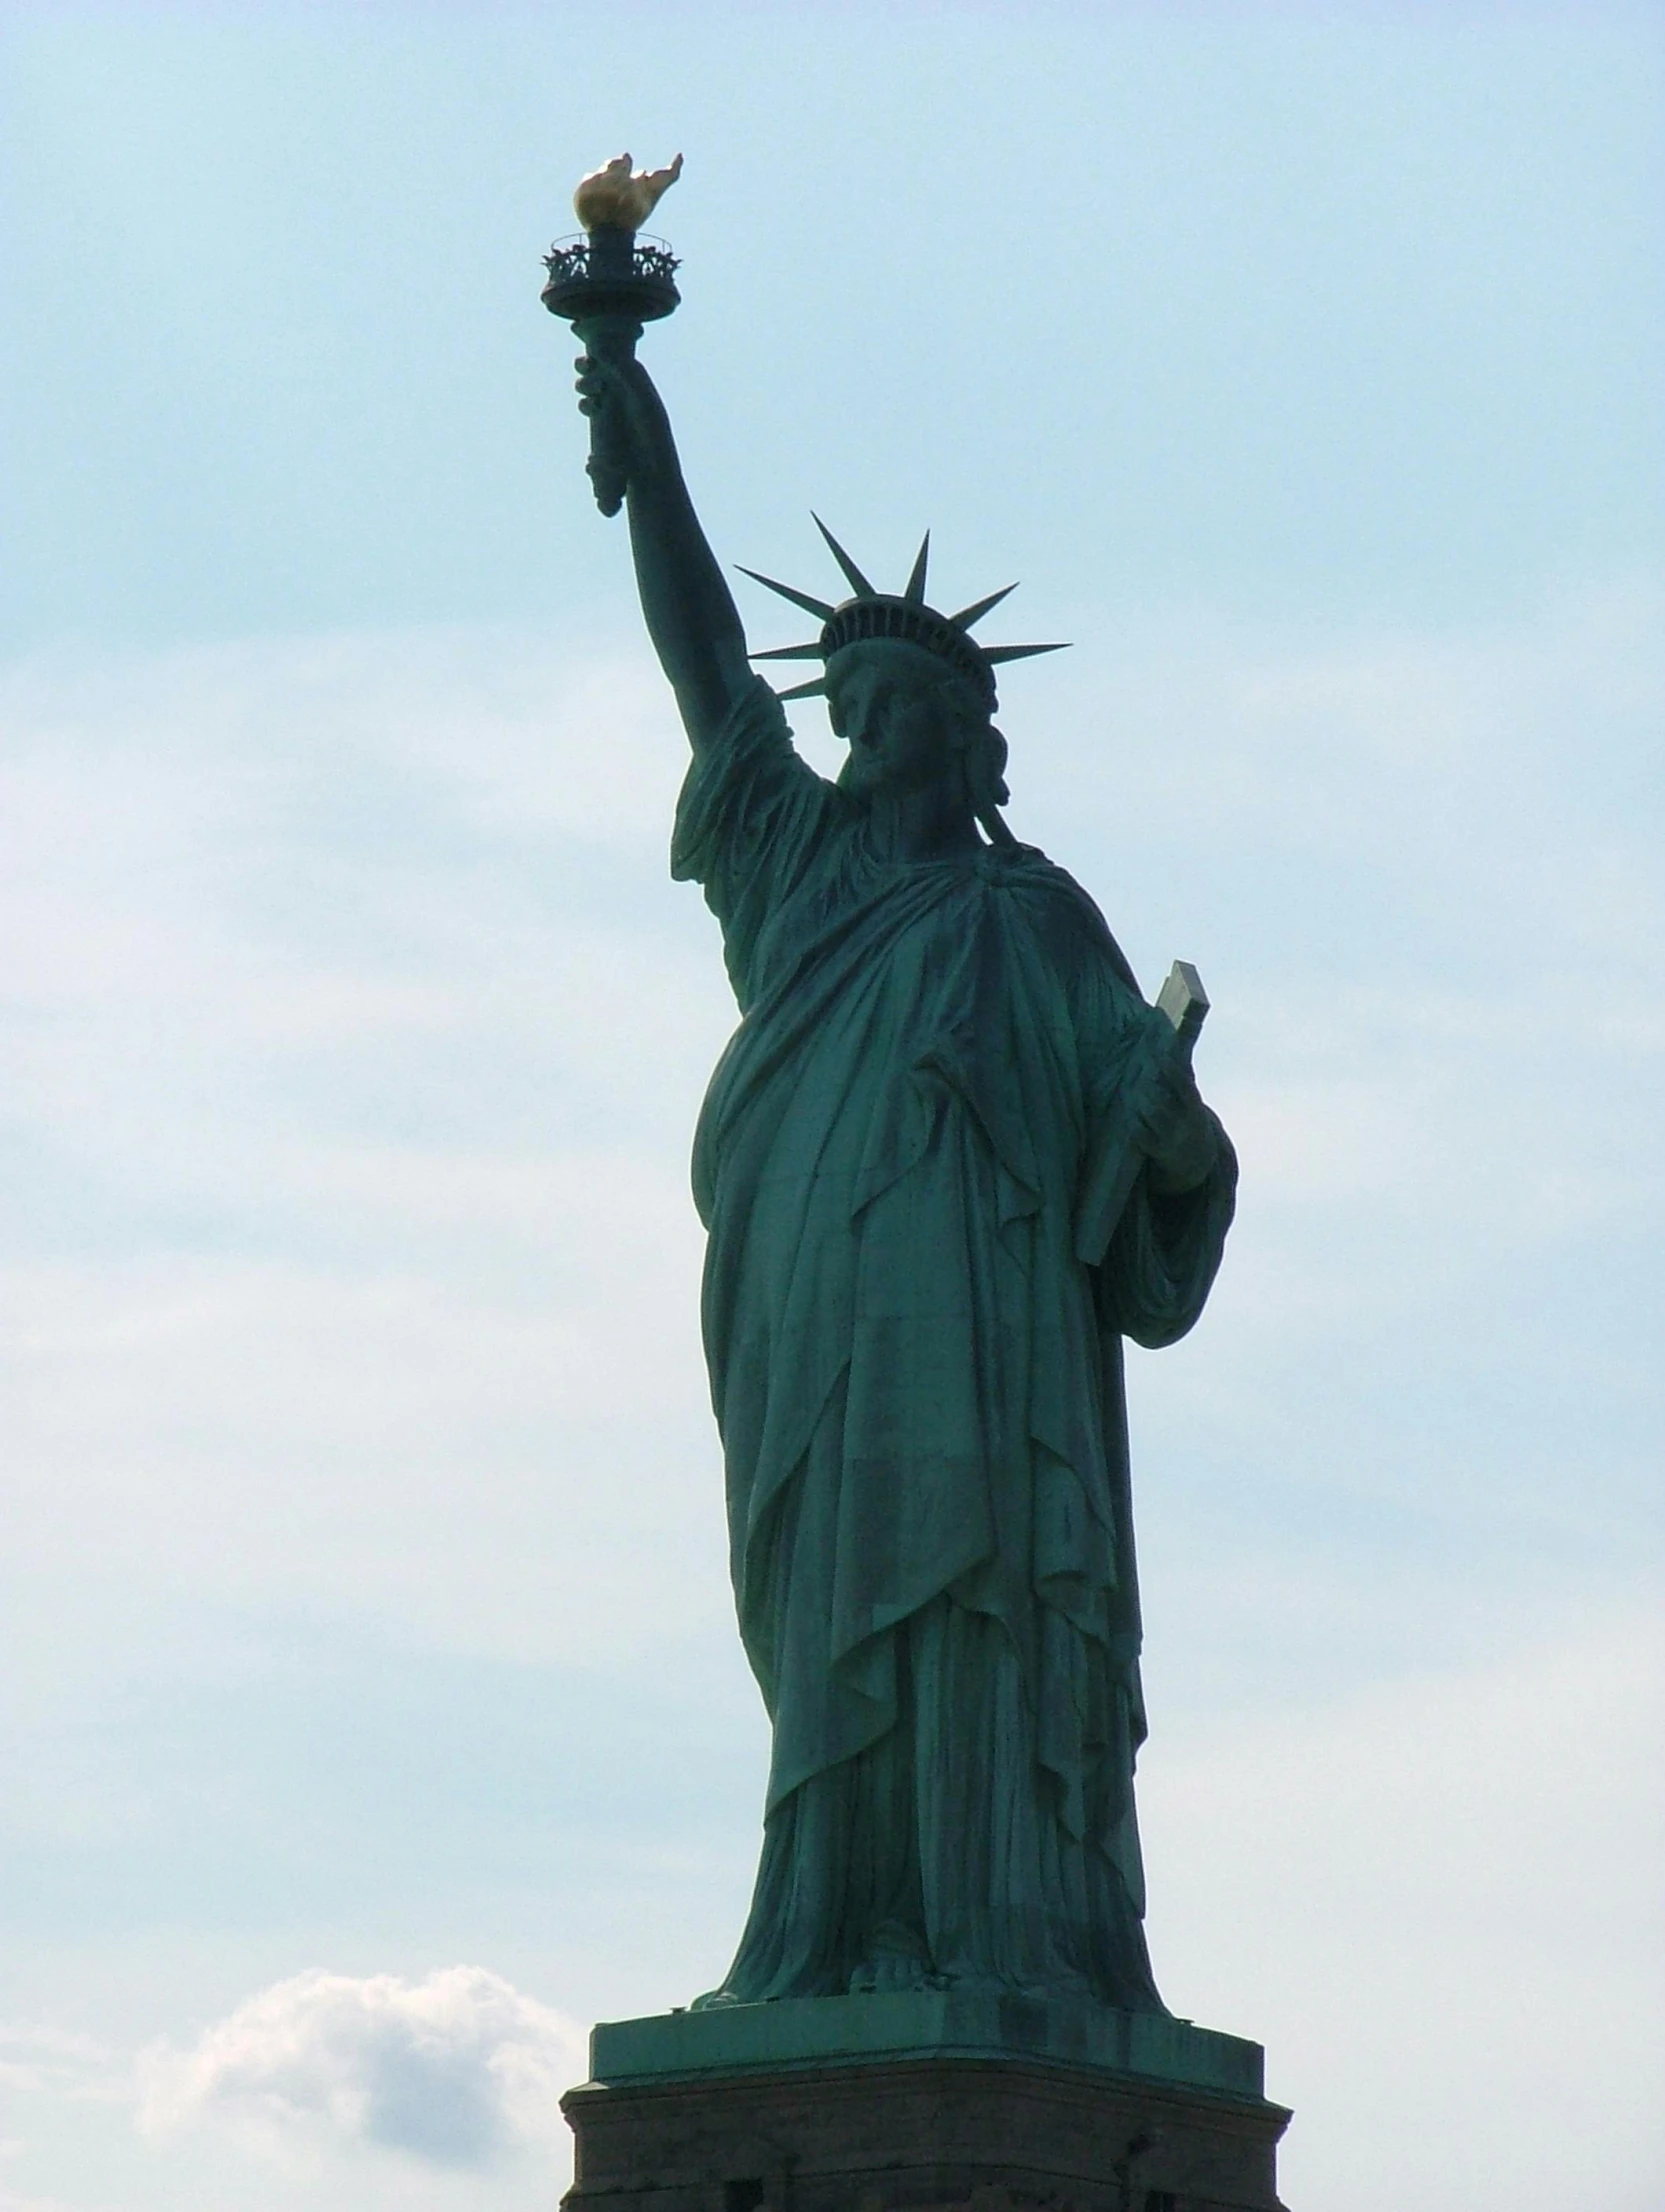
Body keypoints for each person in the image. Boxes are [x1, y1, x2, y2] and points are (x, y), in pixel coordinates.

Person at [574, 344, 1236, 2010]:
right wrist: (635, 422)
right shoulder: (791, 868)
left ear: (967, 749)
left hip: (998, 1356)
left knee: (988, 1620)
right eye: (846, 714)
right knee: (830, 1621)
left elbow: (1155, 1162)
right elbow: (707, 662)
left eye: (894, 720)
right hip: (820, 1313)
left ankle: (999, 1936)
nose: (860, 740)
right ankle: (826, 1936)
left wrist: (1169, 1135)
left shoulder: (1035, 919)